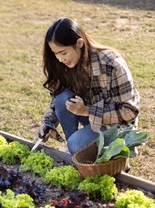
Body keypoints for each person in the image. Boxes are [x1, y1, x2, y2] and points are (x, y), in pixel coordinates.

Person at [36, 17, 140, 155]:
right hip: (93, 118)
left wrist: (87, 111)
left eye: (63, 53)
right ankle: (79, 155)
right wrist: (47, 123)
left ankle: (116, 153)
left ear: (79, 43)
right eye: (56, 54)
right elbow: (59, 99)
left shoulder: (111, 63)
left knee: (76, 144)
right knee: (62, 98)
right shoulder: (68, 64)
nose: (60, 59)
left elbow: (129, 112)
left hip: (118, 126)